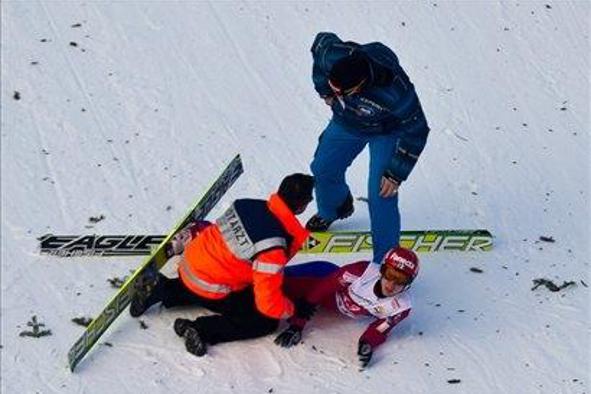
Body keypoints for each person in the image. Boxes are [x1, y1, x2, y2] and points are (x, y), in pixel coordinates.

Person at [129, 173, 317, 357]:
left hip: (189, 266)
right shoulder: (272, 247)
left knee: (211, 276)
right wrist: (292, 308)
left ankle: (161, 289)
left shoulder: (247, 205)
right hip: (212, 286)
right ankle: (200, 330)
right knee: (264, 320)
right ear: (303, 205)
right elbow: (268, 304)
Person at [306, 32, 430, 266]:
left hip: (387, 132)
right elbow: (319, 43)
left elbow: (418, 131)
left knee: (381, 193)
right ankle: (333, 208)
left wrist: (396, 173)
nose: (338, 95)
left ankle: (384, 261)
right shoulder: (333, 55)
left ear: (361, 84)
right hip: (347, 123)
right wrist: (324, 89)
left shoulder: (396, 92)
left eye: (344, 92)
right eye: (335, 89)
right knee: (322, 168)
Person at [275, 247, 420, 368]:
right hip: (322, 275)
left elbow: (380, 328)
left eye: (400, 280)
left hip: (332, 302)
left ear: (409, 283)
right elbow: (322, 289)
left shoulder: (401, 307)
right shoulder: (360, 272)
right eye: (389, 274)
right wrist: (297, 324)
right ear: (382, 270)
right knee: (275, 280)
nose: (391, 284)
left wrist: (367, 343)